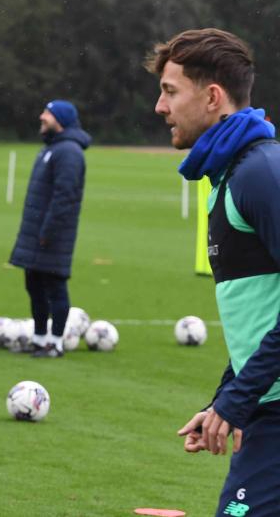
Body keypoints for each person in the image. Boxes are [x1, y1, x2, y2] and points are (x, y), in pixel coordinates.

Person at [146, 28, 280, 514]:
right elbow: (262, 315)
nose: (160, 107)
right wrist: (228, 397)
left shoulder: (259, 174)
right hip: (265, 408)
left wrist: (237, 399)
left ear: (213, 97)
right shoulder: (230, 176)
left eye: (169, 91)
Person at [8, 99, 90, 358]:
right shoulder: (51, 149)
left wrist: (49, 231)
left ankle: (55, 343)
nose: (41, 117)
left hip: (52, 234)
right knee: (34, 285)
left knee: (55, 287)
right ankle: (39, 338)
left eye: (47, 114)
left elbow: (64, 196)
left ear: (61, 120)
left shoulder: (69, 152)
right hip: (37, 233)